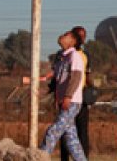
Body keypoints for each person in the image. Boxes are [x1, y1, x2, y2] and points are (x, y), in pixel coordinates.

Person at [39, 30, 87, 161]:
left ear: (73, 41)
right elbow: (55, 76)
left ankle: (39, 157)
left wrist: (68, 96)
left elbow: (76, 78)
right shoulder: (62, 58)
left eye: (66, 35)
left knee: (53, 131)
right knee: (72, 141)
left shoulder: (74, 56)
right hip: (64, 102)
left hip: (72, 102)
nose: (61, 36)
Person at [61, 26, 91, 161]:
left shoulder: (81, 56)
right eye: (79, 35)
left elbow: (79, 76)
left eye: (83, 36)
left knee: (79, 131)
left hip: (77, 97)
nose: (82, 38)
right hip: (65, 97)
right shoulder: (62, 56)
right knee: (66, 131)